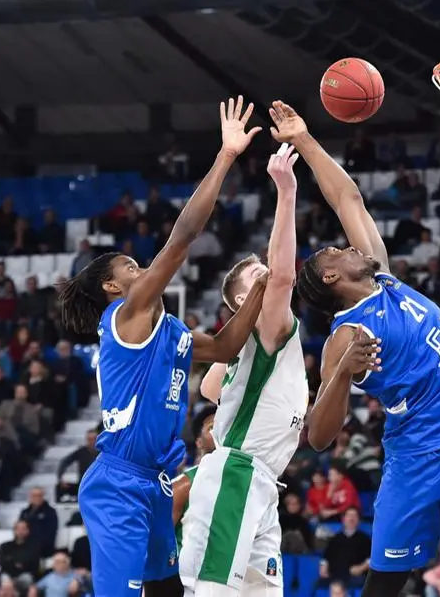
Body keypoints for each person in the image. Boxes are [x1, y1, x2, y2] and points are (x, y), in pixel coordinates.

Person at [275, 101, 440, 597]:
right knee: (385, 588)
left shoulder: (386, 280)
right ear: (331, 276)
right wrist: (340, 377)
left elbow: (348, 199)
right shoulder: (346, 335)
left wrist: (305, 140)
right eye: (337, 251)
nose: (350, 246)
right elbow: (319, 436)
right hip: (419, 461)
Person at [56, 97, 268, 597]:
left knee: (168, 591)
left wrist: (265, 288)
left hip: (154, 482)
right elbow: (183, 236)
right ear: (112, 288)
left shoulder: (169, 331)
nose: (141, 269)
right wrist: (226, 156)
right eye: (129, 267)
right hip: (117, 485)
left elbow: (223, 346)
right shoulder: (125, 317)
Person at [179, 144, 309, 597]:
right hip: (236, 472)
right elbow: (283, 277)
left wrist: (233, 358)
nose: (268, 277)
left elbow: (214, 385)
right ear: (238, 303)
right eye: (256, 278)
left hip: (262, 483)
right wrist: (287, 192)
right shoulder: (269, 328)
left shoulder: (251, 342)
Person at [172, 406, 216, 553]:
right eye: (212, 427)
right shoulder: (183, 486)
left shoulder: (244, 483)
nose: (221, 432)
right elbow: (159, 540)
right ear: (199, 442)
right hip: (185, 572)